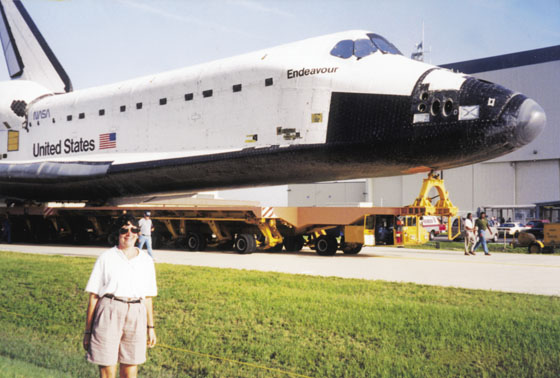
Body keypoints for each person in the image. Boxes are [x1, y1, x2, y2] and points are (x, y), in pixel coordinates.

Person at [83, 214, 157, 378]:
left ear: (138, 233)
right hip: (109, 310)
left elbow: (148, 297)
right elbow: (94, 296)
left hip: (136, 313)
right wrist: (88, 331)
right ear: (117, 233)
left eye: (133, 230)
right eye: (124, 230)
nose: (129, 233)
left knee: (130, 368)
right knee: (107, 368)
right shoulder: (106, 258)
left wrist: (150, 328)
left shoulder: (146, 261)